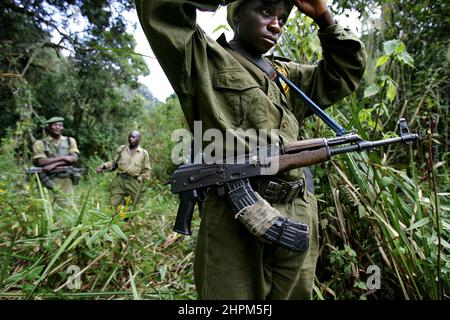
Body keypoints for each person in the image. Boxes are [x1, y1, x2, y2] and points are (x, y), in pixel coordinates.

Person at [136, 0, 366, 299]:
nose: (275, 25)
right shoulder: (200, 58)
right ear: (237, 13)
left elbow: (344, 72)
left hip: (297, 210)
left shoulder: (286, 77)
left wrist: (324, 17)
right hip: (236, 209)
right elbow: (159, 8)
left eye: (282, 19)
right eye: (266, 12)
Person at [96, 131, 151, 216]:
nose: (131, 139)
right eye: (130, 137)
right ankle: (111, 222)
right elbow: (114, 163)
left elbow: (147, 170)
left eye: (133, 137)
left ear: (139, 139)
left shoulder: (143, 154)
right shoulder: (122, 149)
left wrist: (141, 178)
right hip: (120, 180)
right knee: (113, 202)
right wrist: (103, 166)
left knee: (129, 206)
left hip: (134, 182)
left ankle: (124, 224)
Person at [32, 116, 80, 208]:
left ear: (62, 128)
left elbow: (73, 158)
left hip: (65, 178)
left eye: (60, 125)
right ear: (49, 127)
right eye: (54, 125)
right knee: (45, 206)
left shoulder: (70, 141)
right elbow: (41, 161)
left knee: (67, 206)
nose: (57, 127)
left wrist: (54, 164)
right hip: (46, 178)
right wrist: (65, 158)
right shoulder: (40, 143)